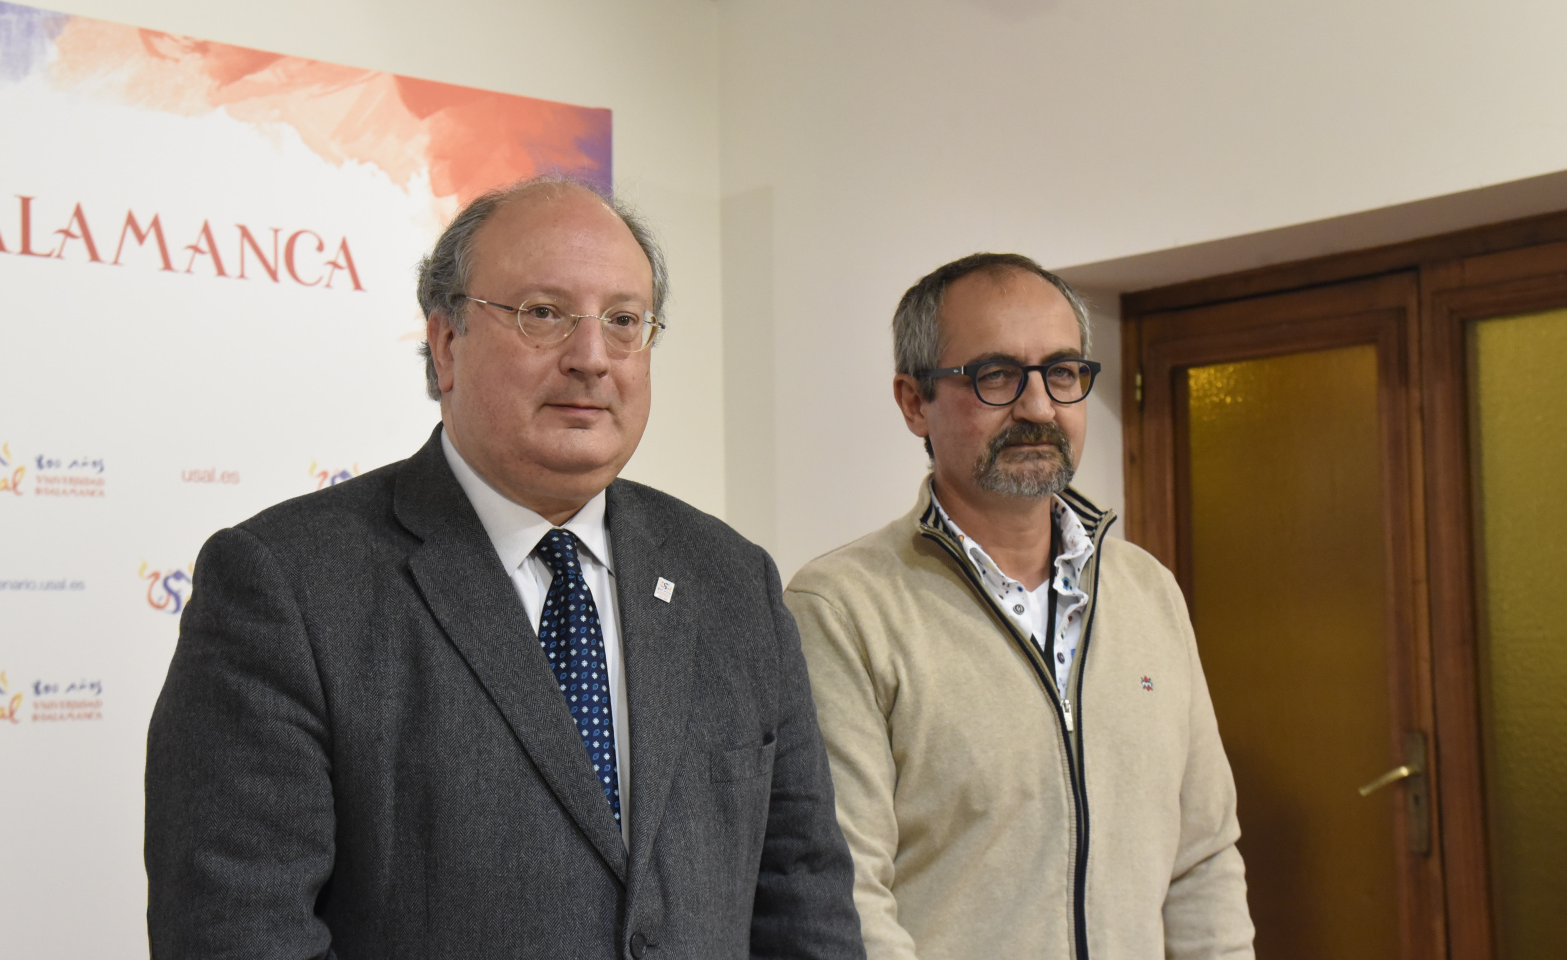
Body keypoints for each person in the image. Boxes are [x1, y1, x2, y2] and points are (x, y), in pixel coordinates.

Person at [146, 179, 863, 960]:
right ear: (447, 343)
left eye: (624, 321)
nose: (592, 358)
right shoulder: (286, 585)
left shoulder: (733, 580)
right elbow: (238, 934)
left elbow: (804, 900)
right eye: (544, 314)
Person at [785, 253, 1255, 960]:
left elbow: (1203, 860)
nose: (1039, 407)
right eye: (996, 375)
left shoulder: (1148, 591)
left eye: (1062, 373)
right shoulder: (844, 609)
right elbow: (847, 895)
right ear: (914, 401)